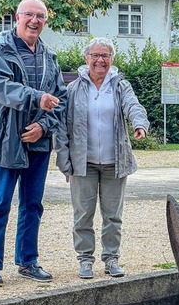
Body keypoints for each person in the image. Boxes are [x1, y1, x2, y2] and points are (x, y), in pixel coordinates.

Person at [0, 0, 66, 287]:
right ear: (17, 17)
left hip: (37, 142)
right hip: (5, 141)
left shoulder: (49, 56)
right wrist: (36, 97)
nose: (34, 21)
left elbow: (60, 100)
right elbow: (1, 88)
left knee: (32, 204)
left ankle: (28, 261)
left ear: (46, 21)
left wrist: (42, 125)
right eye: (29, 15)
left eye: (40, 16)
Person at [55, 37, 149, 279]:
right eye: (95, 55)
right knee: (83, 214)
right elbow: (62, 128)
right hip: (82, 163)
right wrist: (65, 163)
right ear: (86, 59)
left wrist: (139, 124)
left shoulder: (120, 86)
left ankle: (111, 259)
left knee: (113, 216)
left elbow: (133, 106)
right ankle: (85, 259)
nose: (100, 60)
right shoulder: (73, 89)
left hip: (114, 162)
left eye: (105, 56)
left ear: (112, 59)